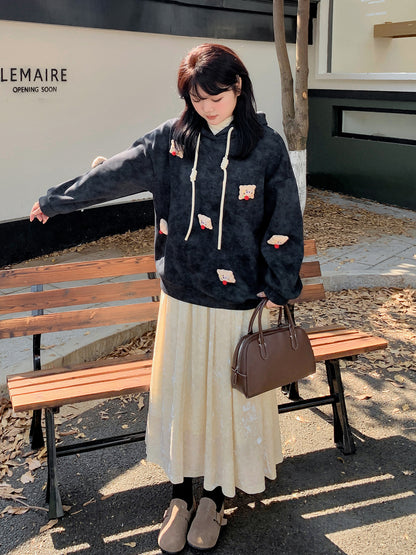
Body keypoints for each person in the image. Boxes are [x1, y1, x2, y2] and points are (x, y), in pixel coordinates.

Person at [30, 43, 303, 553]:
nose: (207, 107)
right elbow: (114, 173)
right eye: (196, 99)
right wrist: (55, 200)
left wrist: (279, 284)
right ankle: (179, 495)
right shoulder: (171, 141)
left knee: (223, 400)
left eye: (215, 97)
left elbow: (284, 218)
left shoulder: (266, 147)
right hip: (182, 297)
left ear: (238, 86)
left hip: (238, 303)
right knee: (184, 397)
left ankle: (214, 498)